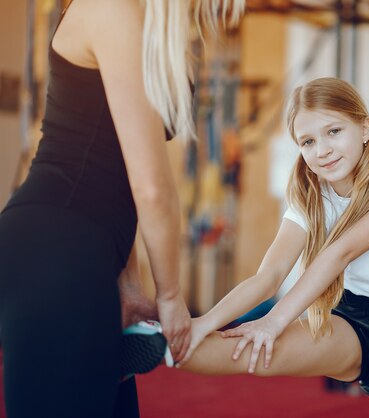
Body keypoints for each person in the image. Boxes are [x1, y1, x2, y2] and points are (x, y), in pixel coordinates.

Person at [0, 0, 243, 417]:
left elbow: (119, 171)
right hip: (53, 248)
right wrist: (169, 294)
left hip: (85, 251)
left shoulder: (146, 18)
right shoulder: (111, 8)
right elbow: (150, 186)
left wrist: (129, 283)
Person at [179, 77, 369, 418]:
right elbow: (268, 276)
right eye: (308, 141)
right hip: (351, 321)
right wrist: (204, 322)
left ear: (365, 128)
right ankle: (152, 344)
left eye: (334, 131)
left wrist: (274, 320)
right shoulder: (308, 196)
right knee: (249, 351)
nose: (322, 150)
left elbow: (340, 253)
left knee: (265, 336)